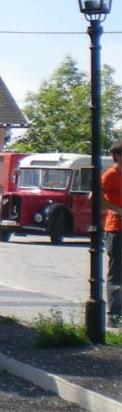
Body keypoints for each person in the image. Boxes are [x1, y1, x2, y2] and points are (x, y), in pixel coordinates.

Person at [102, 140, 122, 328]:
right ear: (116, 156)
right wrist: (116, 209)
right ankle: (114, 316)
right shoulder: (110, 175)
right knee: (116, 275)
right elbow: (95, 197)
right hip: (116, 230)